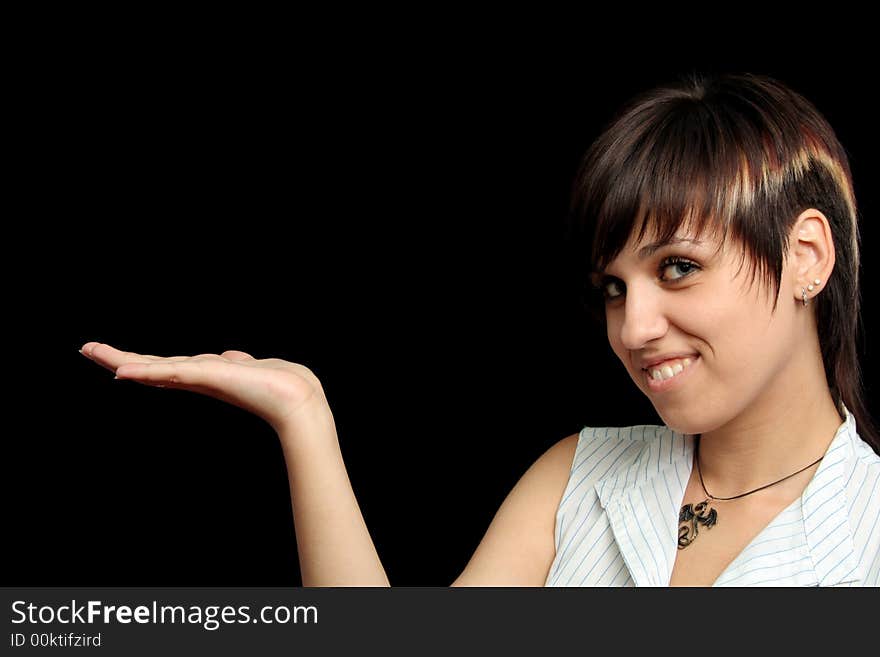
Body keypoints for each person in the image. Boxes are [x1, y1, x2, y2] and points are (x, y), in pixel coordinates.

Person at [80, 72, 880, 587]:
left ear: (806, 255)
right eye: (612, 287)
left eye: (677, 267)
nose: (633, 328)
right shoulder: (580, 474)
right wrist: (305, 416)